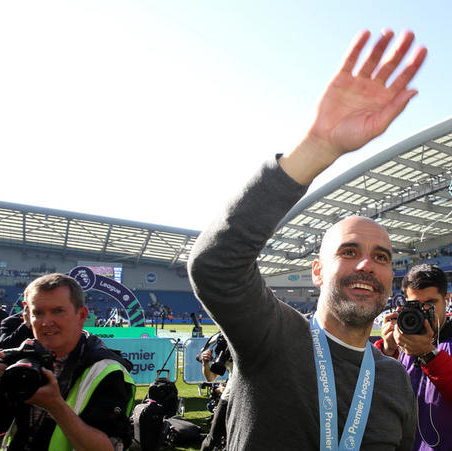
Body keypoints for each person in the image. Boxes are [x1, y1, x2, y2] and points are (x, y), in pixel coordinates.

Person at [187, 29, 426, 450]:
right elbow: (215, 265)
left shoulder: (392, 381)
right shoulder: (274, 337)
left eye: (382, 257)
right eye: (348, 252)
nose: (367, 265)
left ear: (391, 278)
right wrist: (317, 148)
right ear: (318, 271)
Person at [0, 273, 136, 450]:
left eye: (58, 311)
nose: (46, 322)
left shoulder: (107, 371)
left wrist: (55, 406)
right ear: (27, 316)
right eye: (38, 313)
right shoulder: (22, 361)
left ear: (81, 315)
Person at [377, 264, 452, 450]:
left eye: (431, 303)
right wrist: (388, 352)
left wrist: (428, 355)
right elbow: (381, 404)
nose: (425, 311)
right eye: (416, 305)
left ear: (447, 300)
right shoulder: (403, 344)